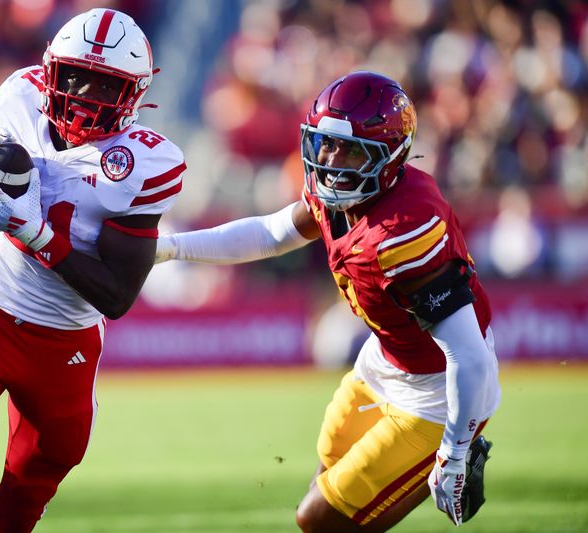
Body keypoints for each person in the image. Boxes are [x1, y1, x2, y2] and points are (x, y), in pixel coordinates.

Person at [0, 8, 186, 531]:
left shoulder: (145, 164)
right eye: (75, 76)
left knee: (23, 499)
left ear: (132, 96)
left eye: (103, 85)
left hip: (66, 344)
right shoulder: (21, 98)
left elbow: (116, 297)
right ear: (52, 70)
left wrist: (34, 233)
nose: (84, 93)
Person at [156, 71, 500, 531]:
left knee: (317, 520)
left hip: (435, 393)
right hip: (384, 360)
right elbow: (270, 234)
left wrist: (454, 454)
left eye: (352, 149)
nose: (333, 161)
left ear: (390, 157)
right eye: (326, 145)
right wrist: (174, 248)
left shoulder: (403, 229)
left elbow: (468, 354)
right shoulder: (338, 196)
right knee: (325, 485)